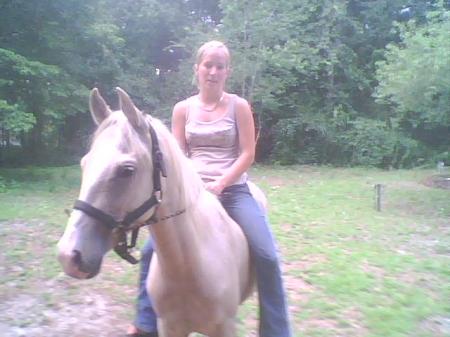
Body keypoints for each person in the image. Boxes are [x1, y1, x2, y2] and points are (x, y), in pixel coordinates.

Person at [126, 40, 291, 337]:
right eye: (208, 65)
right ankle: (146, 323)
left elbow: (247, 154)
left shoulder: (239, 106)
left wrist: (222, 182)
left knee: (267, 254)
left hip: (234, 191)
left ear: (227, 71)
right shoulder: (182, 109)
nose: (213, 71)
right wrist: (190, 187)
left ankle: (276, 331)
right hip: (192, 193)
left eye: (220, 66)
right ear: (197, 69)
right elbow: (178, 156)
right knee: (151, 249)